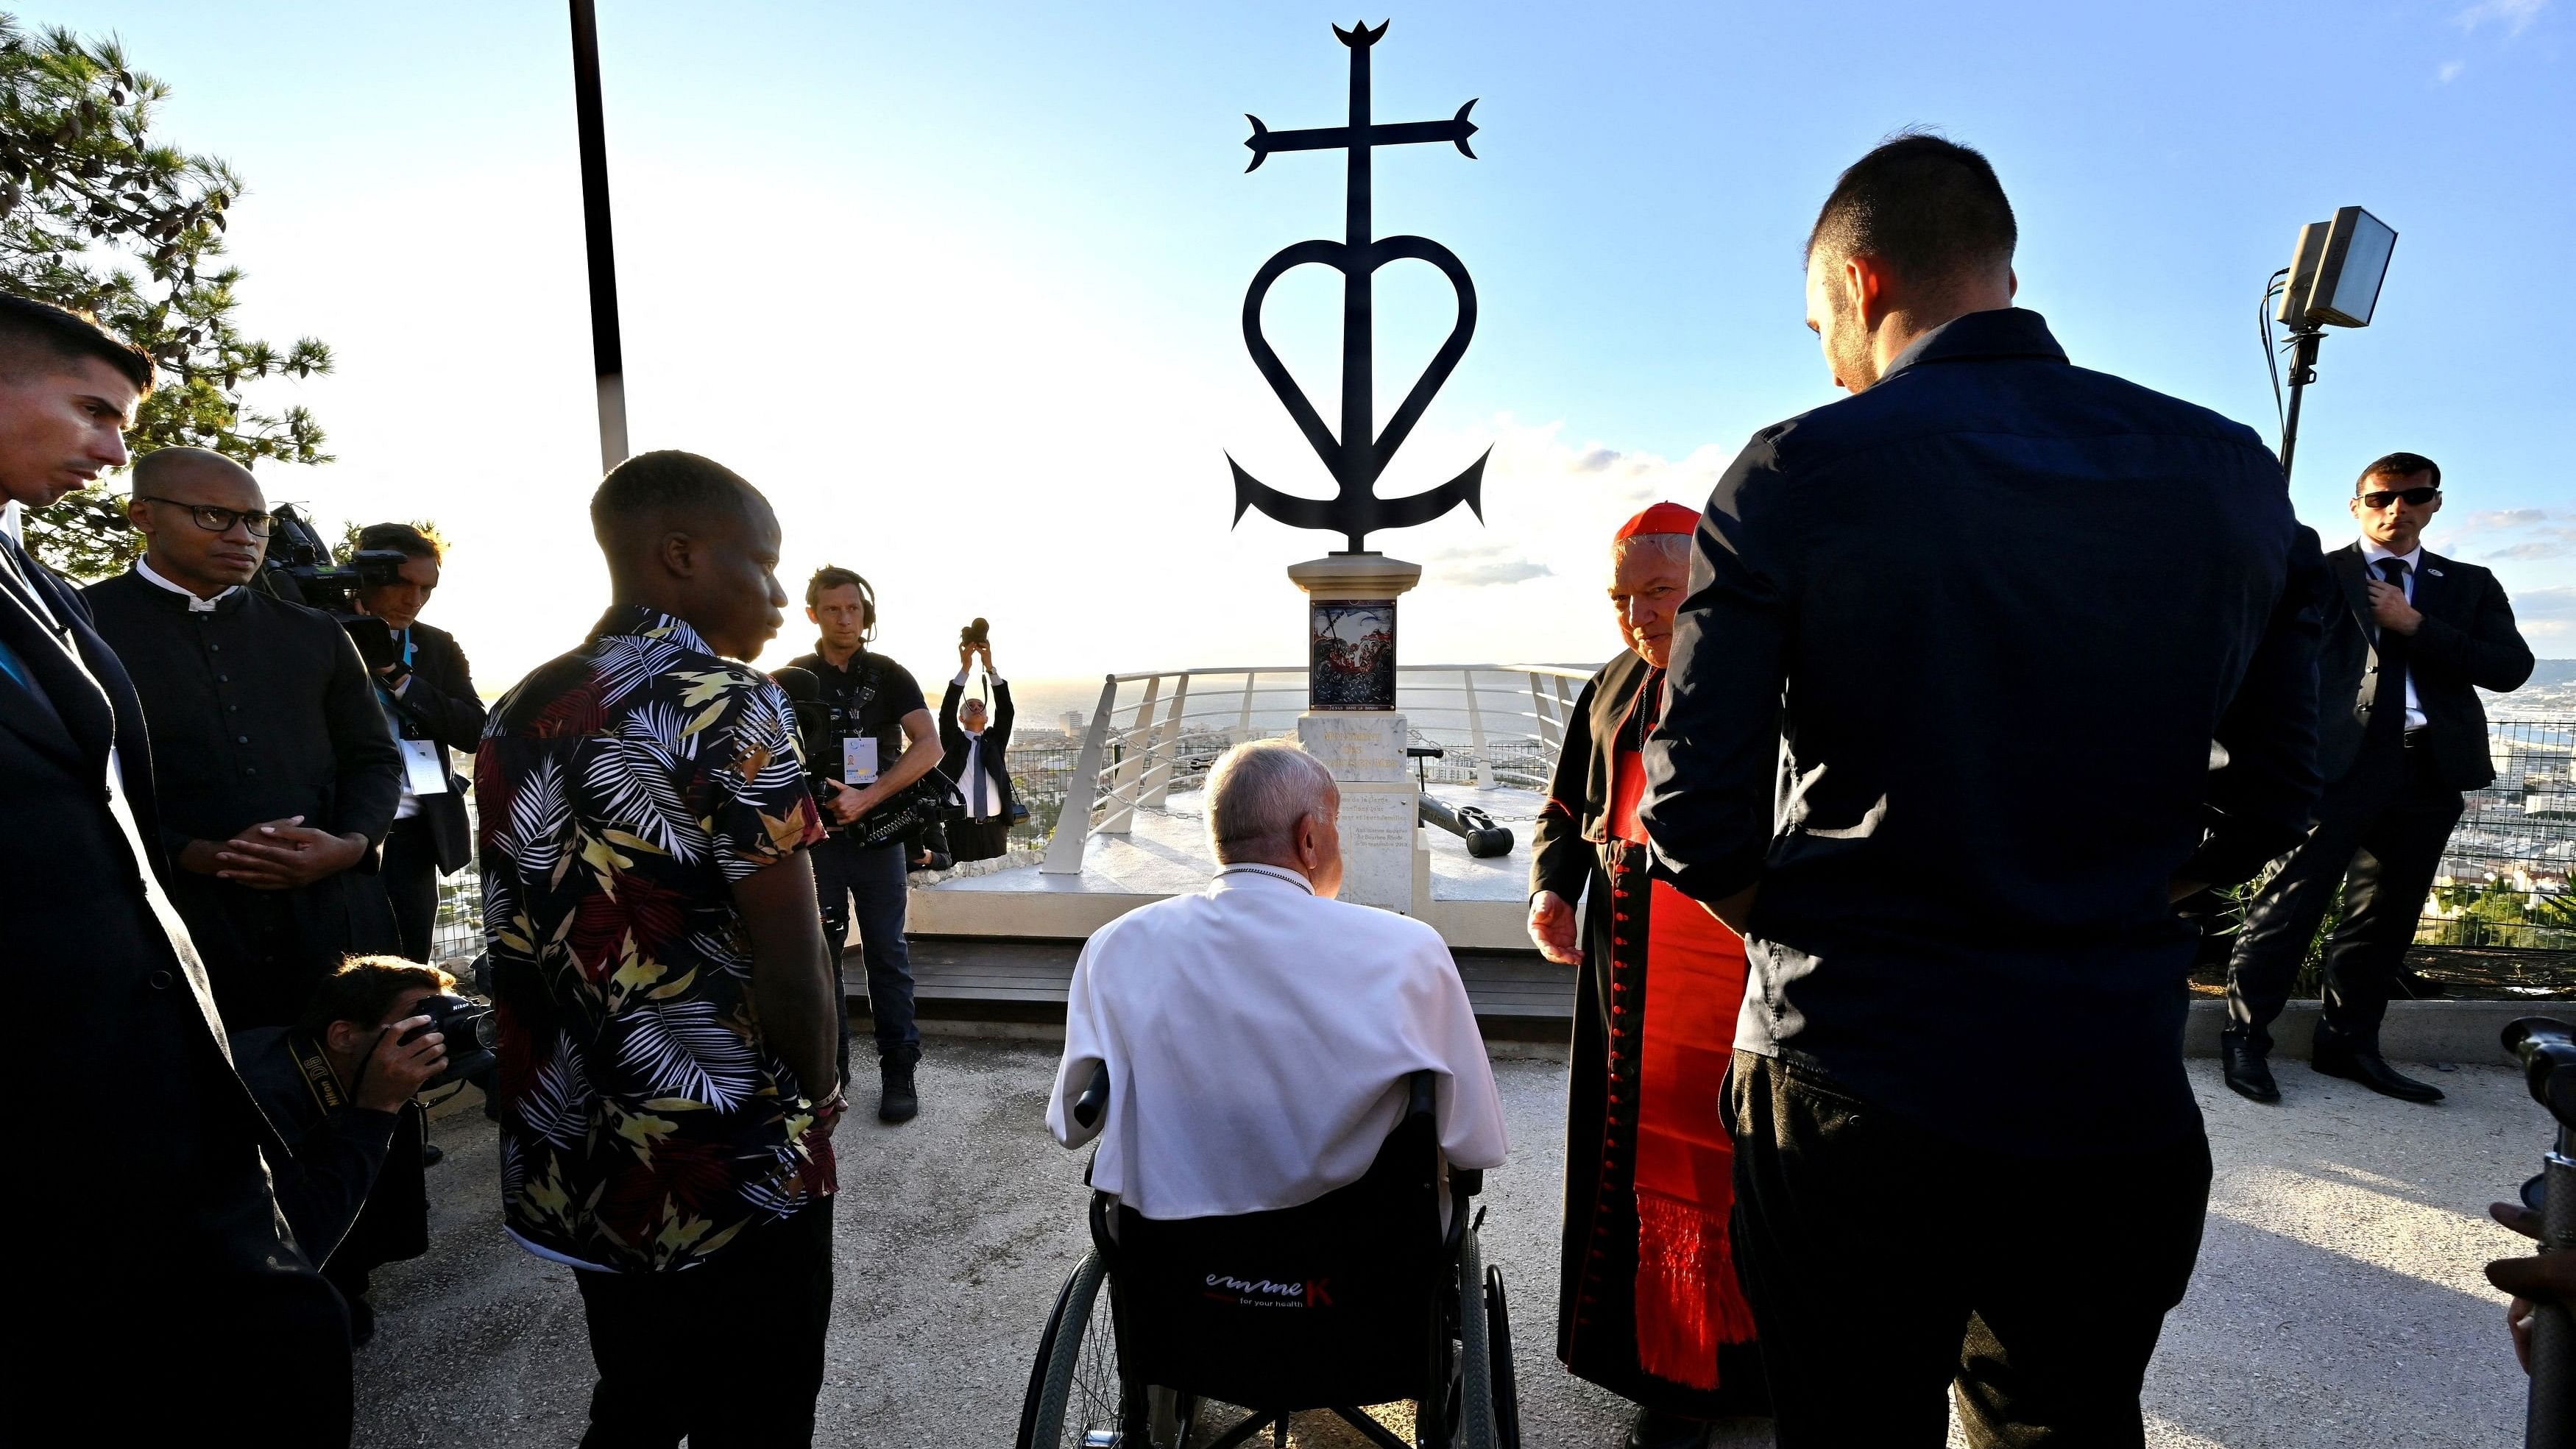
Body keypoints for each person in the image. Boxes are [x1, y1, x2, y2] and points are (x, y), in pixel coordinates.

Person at [1641, 135, 2323, 1446]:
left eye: (1819, 323)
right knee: (2062, 1420)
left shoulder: (1797, 471)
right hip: (2105, 1078)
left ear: (1865, 275)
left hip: (1854, 1071)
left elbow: (1694, 810)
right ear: (2000, 271)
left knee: (1846, 1423)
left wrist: (1822, 931)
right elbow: (2283, 791)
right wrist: (2125, 895)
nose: (1826, 359)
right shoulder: (2230, 469)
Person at [0, 294, 351, 1442]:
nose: (109, 450)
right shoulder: (97, 605)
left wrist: (347, 842)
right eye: (92, 412)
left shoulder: (39, 589)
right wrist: (201, 855)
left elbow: (371, 760)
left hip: (178, 1044)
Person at [478, 449, 841, 1447]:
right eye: (764, 566)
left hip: (581, 1140)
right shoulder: (731, 699)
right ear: (678, 555)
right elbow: (792, 955)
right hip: (724, 1142)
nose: (780, 597)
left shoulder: (517, 707)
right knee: (759, 1413)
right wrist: (820, 1089)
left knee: (637, 1394)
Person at [1529, 502, 1764, 1448]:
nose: (1636, 617)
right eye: (1620, 598)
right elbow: (1560, 803)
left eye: (1657, 593)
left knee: (1743, 1176)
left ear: (1701, 578)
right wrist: (1553, 886)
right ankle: (1668, 1377)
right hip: (1627, 972)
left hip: (1732, 967)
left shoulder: (1762, 671)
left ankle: (1747, 1370)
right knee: (1636, 1170)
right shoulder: (1610, 683)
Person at [1049, 739, 1507, 1219]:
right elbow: (1477, 1142)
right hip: (1357, 1255)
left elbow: (1070, 1123)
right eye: (1337, 827)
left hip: (1173, 1261)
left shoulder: (1117, 945)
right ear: (1309, 839)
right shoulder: (1408, 949)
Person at [2222, 453, 2536, 1105]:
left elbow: (2510, 667)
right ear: (2356, 505)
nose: (2399, 509)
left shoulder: (2468, 583)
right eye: (2382, 498)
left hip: (2427, 766)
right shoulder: (2315, 570)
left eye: (2415, 496)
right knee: (2290, 903)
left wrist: (2417, 625)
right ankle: (2247, 1041)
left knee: (2385, 917)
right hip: (2331, 766)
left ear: (2435, 503)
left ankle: (2348, 1044)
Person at [82, 447, 404, 1030]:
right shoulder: (81, 626)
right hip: (172, 925)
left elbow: (374, 758)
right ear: (143, 516)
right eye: (214, 515)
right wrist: (187, 852)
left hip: (330, 920)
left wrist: (354, 843)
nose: (245, 536)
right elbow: (74, 778)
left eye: (257, 521)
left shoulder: (316, 633)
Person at [234, 956, 453, 1347]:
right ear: (344, 1036)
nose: (427, 1035)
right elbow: (294, 1245)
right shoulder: (264, 1096)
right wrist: (377, 1110)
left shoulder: (296, 1051)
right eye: (415, 1020)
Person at [787, 565, 941, 1122]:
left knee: (886, 955)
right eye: (833, 609)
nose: (845, 618)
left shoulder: (889, 675)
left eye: (853, 608)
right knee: (820, 959)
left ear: (866, 613)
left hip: (879, 839)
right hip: (817, 842)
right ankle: (833, 1070)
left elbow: (929, 746)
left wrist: (867, 797)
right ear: (814, 614)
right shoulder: (792, 678)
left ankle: (899, 1071)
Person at [350, 522, 485, 966]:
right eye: (403, 584)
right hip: (342, 832)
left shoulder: (435, 645)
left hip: (414, 831)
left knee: (410, 969)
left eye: (427, 588)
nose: (415, 600)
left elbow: (474, 730)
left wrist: (398, 676)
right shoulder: (318, 634)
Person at [939, 635, 1016, 862]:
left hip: (995, 828)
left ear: (986, 717)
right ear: (961, 718)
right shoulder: (955, 742)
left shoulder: (994, 741)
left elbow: (1006, 710)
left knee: (995, 888)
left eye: (980, 706)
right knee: (961, 887)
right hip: (960, 828)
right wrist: (965, 669)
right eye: (969, 706)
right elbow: (945, 711)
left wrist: (990, 667)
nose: (975, 707)